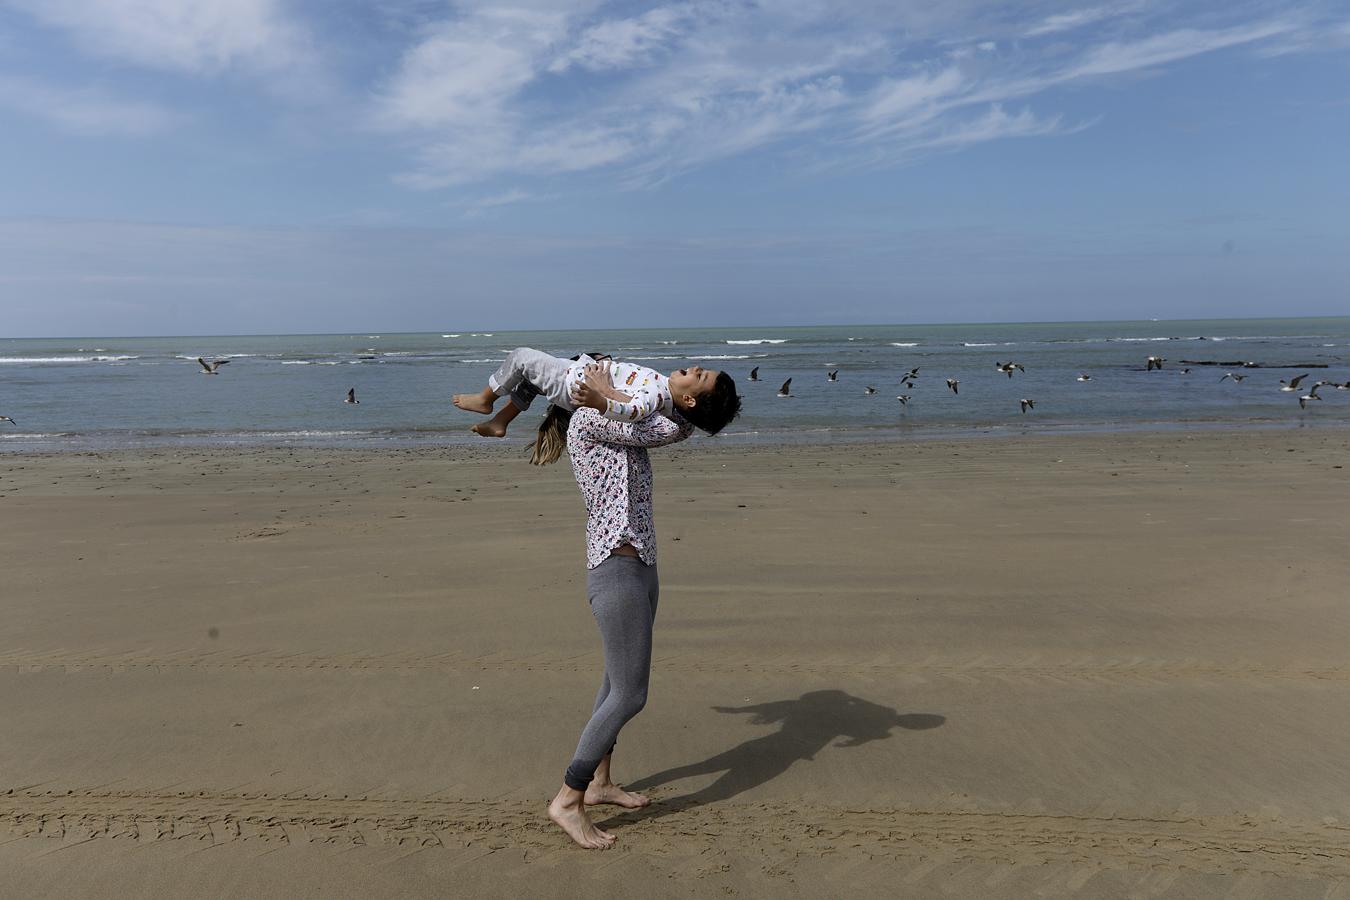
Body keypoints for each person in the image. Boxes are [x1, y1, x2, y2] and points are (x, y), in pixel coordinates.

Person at [546, 361, 694, 849]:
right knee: (631, 695)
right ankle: (568, 799)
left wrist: (628, 397)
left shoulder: (623, 419)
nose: (629, 381)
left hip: (643, 563)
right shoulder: (589, 420)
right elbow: (669, 430)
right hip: (614, 567)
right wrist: (610, 395)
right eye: (608, 374)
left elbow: (673, 427)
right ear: (579, 387)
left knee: (615, 682)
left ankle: (599, 784)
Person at [452, 347, 741, 439]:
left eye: (700, 376)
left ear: (689, 399)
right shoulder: (663, 393)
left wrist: (600, 397)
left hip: (574, 383)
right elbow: (631, 400)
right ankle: (501, 421)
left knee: (521, 358)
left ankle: (485, 398)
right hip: (579, 374)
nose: (696, 367)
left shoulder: (656, 394)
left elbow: (633, 411)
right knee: (531, 383)